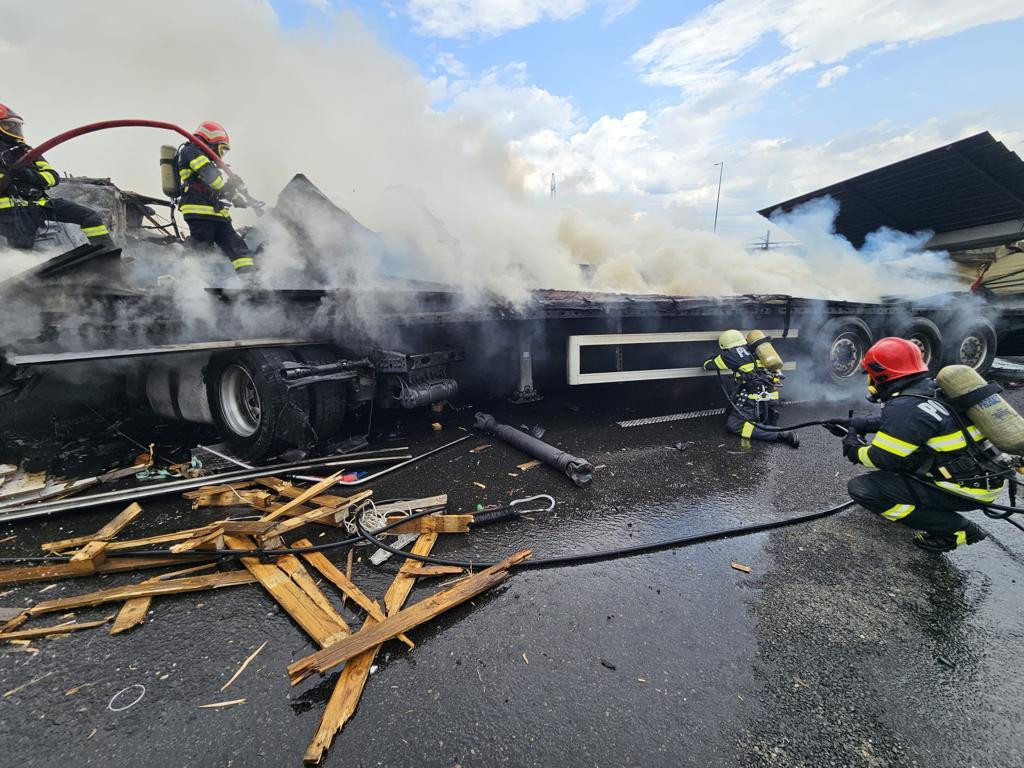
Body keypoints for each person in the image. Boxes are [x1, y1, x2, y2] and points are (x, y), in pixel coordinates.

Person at [842, 337, 996, 553]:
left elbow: (882, 458)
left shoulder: (905, 406)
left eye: (870, 374)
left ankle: (954, 530)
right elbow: (914, 426)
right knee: (897, 468)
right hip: (985, 475)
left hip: (964, 488)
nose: (869, 380)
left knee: (863, 489)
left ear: (881, 374)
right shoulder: (932, 389)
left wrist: (853, 449)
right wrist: (863, 424)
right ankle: (927, 507)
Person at [0, 103, 114, 250]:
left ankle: (108, 258)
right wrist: (9, 173)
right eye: (8, 125)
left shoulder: (26, 152)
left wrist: (28, 174)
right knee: (21, 251)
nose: (14, 129)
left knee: (89, 217)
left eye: (14, 125)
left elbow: (52, 177)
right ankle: (22, 270)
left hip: (40, 204)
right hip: (10, 210)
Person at [175, 121, 255, 275]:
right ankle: (188, 285)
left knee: (238, 249)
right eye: (221, 149)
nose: (221, 155)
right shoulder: (190, 151)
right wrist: (229, 188)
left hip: (216, 213)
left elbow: (217, 187)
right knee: (201, 250)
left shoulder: (203, 157)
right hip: (199, 211)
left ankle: (251, 282)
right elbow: (210, 176)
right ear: (209, 141)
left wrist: (237, 197)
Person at [703, 329, 799, 448]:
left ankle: (781, 434)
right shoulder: (756, 350)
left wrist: (712, 356)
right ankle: (766, 420)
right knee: (734, 408)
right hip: (771, 397)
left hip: (754, 399)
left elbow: (708, 365)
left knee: (734, 425)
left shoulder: (731, 354)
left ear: (725, 345)